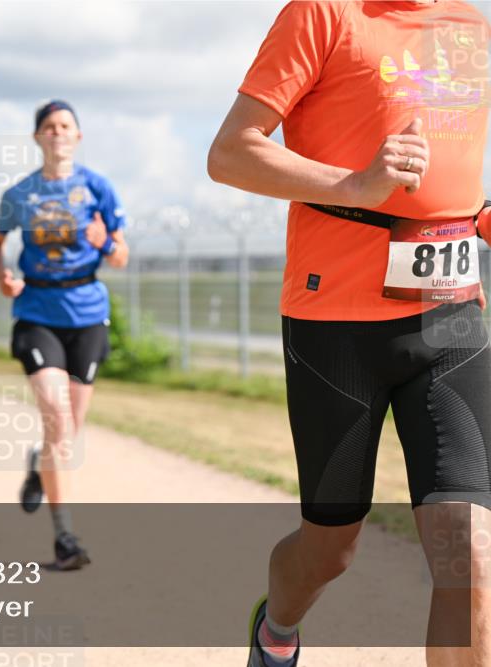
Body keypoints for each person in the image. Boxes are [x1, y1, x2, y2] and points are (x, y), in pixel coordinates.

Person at [207, 3, 490, 666]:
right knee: (330, 547)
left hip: (452, 316)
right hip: (334, 324)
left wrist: (479, 214)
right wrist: (357, 184)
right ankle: (277, 629)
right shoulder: (323, 13)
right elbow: (229, 153)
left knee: (471, 550)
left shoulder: (472, 27)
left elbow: (452, 168)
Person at [0, 100, 129, 570]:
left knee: (66, 432)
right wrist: (3, 276)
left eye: (66, 125)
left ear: (77, 136)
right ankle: (65, 536)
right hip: (37, 313)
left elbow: (121, 256)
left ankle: (37, 461)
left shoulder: (97, 187)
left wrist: (104, 243)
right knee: (56, 417)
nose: (57, 132)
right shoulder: (20, 193)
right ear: (37, 137)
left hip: (87, 314)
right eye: (49, 126)